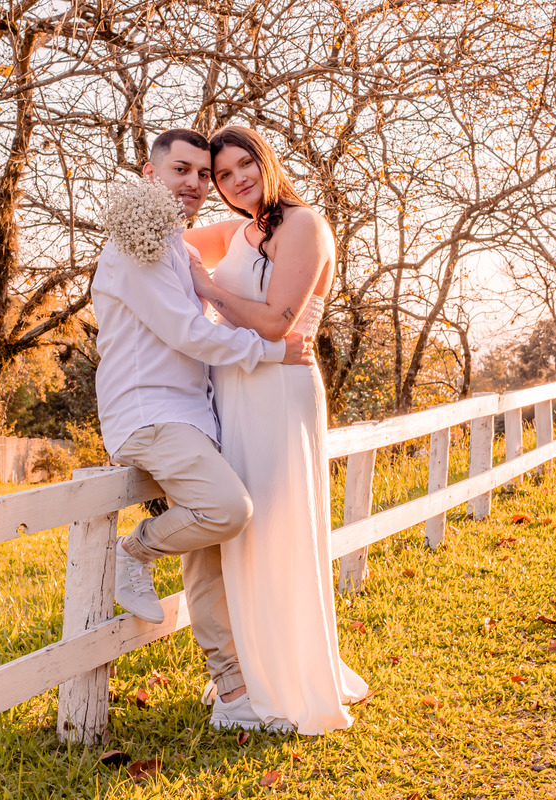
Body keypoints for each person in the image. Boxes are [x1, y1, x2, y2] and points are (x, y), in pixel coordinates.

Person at [91, 128, 314, 731]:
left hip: (192, 412)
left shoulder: (173, 244)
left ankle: (233, 695)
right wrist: (273, 352)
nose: (194, 183)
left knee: (208, 558)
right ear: (150, 174)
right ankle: (132, 552)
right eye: (181, 170)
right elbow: (187, 333)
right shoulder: (138, 245)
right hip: (151, 413)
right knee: (227, 511)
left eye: (201, 175)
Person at [184, 125, 369, 735]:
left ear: (265, 160)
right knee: (245, 533)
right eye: (221, 175)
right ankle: (250, 670)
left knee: (279, 528)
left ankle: (292, 678)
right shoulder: (235, 232)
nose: (236, 180)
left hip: (279, 393)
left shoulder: (304, 225)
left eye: (244, 165)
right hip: (232, 394)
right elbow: (163, 237)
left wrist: (207, 288)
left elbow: (274, 324)